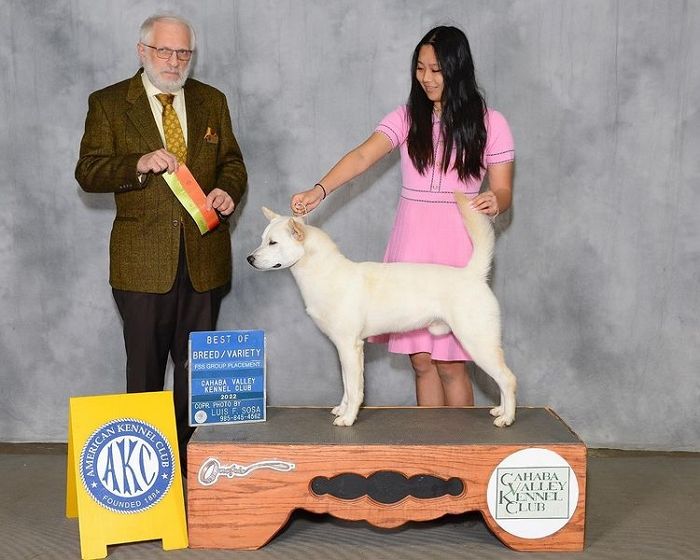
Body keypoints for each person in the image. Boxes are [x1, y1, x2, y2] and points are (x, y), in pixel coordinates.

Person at [290, 26, 514, 408]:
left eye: (436, 70)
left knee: (453, 365)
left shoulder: (492, 123)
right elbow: (362, 156)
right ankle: (428, 455)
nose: (426, 78)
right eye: (420, 68)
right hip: (410, 241)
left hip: (458, 242)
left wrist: (496, 200)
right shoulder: (407, 117)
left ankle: (461, 456)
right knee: (423, 363)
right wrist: (319, 190)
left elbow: (504, 190)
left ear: (458, 70)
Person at [75, 14, 247, 469]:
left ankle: (196, 473)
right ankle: (148, 476)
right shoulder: (109, 103)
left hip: (204, 261)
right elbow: (88, 171)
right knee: (145, 375)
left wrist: (227, 190)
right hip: (141, 265)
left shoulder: (212, 101)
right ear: (142, 51)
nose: (174, 61)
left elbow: (232, 162)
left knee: (198, 379)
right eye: (164, 51)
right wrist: (137, 162)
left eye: (183, 52)